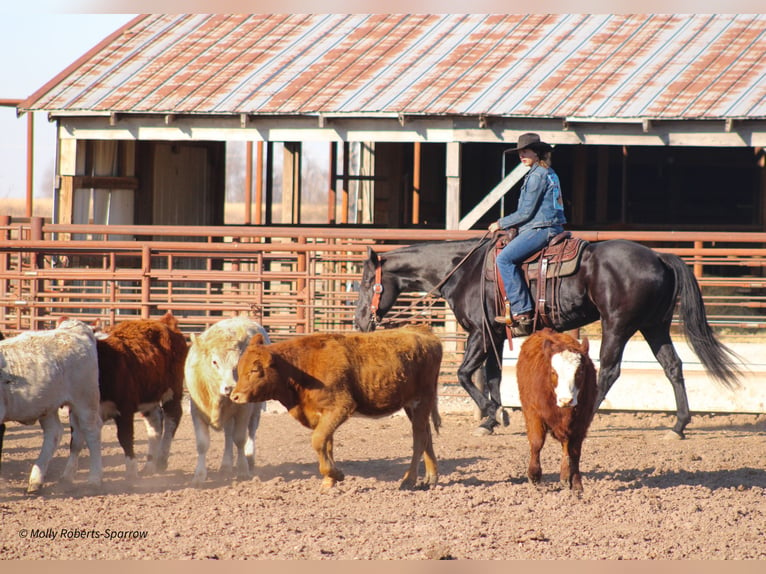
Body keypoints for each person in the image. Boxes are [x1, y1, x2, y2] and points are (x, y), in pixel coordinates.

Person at [488, 132, 567, 336]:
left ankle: (522, 311)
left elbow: (526, 212)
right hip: (547, 225)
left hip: (542, 228)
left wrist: (500, 223)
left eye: (526, 151)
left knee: (504, 259)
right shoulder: (547, 172)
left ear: (537, 152)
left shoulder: (536, 176)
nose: (522, 155)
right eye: (520, 151)